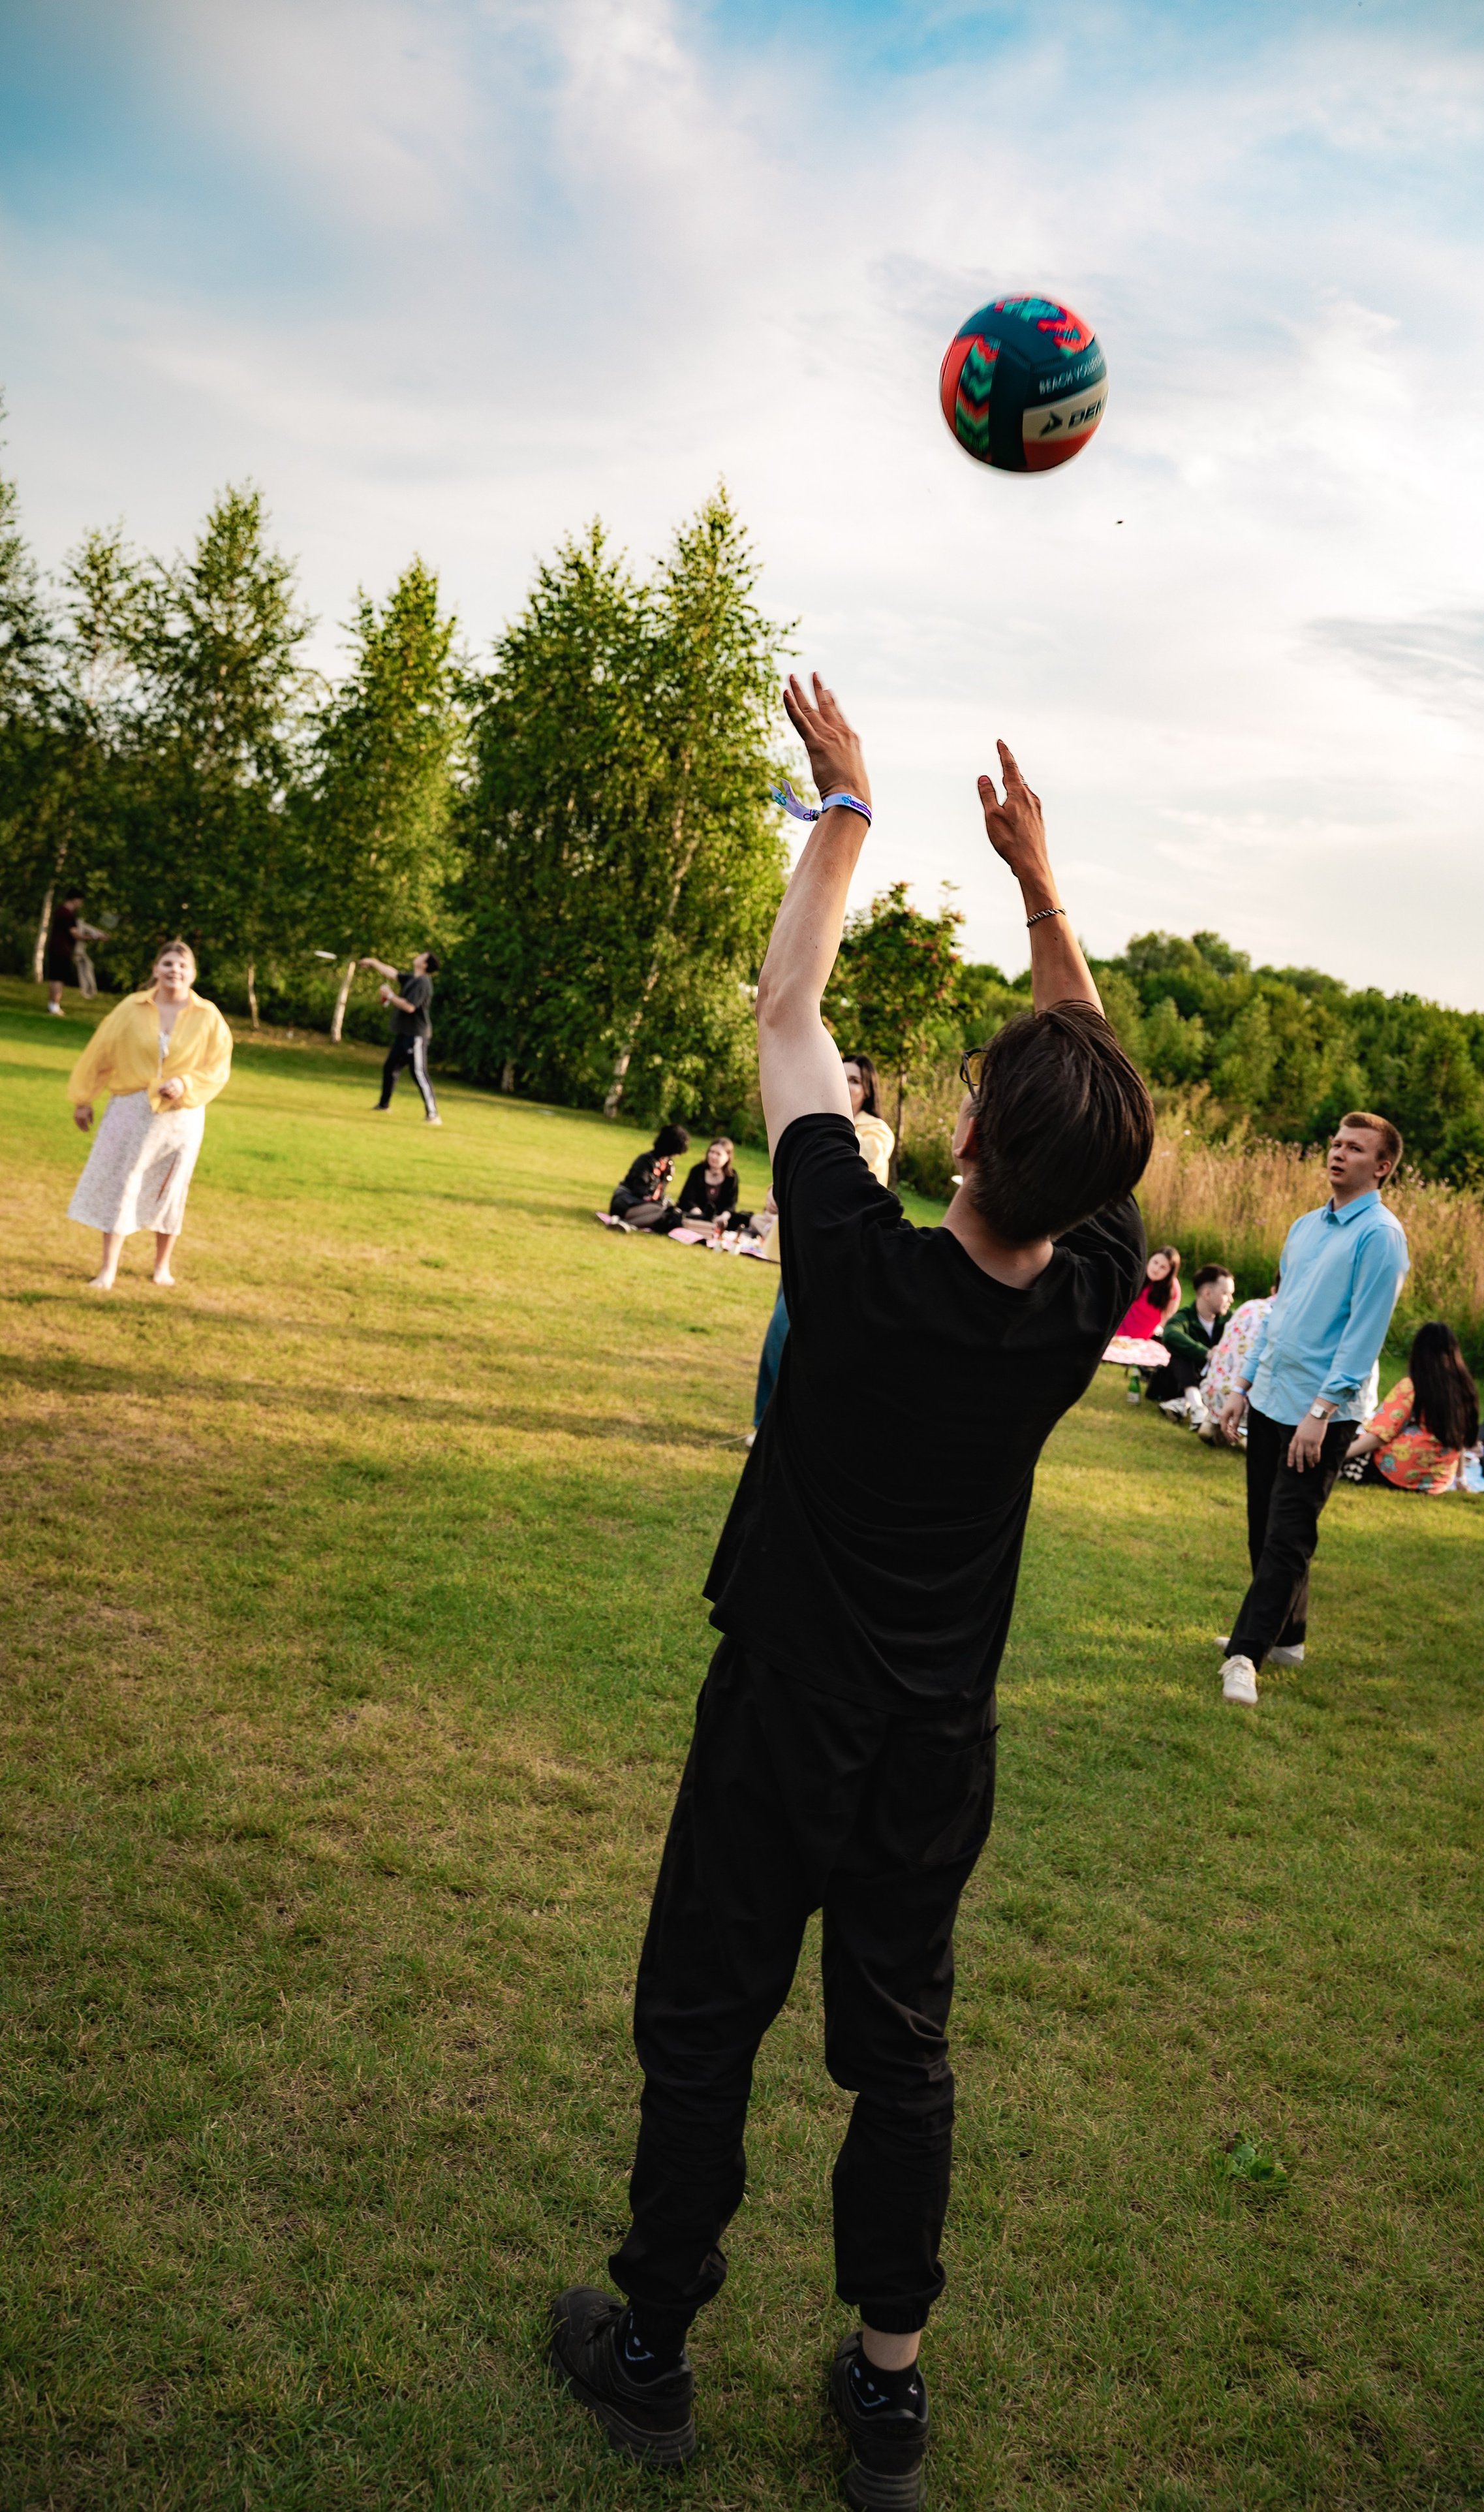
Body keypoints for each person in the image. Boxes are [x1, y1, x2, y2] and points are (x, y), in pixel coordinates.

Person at [546, 680, 1152, 2508]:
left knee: (706, 2022)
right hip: (931, 1744)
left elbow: (789, 1005)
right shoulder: (1077, 1305)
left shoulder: (852, 1260)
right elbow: (1090, 1095)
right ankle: (888, 2391)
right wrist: (1043, 886)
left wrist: (853, 809)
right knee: (902, 2052)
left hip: (781, 1720)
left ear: (965, 1143)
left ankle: (652, 2348)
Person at [1216, 1114, 1408, 1708]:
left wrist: (1322, 1410)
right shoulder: (1305, 1227)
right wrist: (1242, 1383)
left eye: (1356, 1148)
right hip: (1272, 1395)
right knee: (1263, 1527)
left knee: (1289, 1536)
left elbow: (1364, 1333)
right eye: (1336, 1144)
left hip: (1321, 1412)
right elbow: (1279, 1313)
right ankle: (1288, 1637)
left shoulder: (1380, 1236)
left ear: (1382, 1167)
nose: (1339, 1154)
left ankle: (1245, 1654)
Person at [65, 939, 233, 1289]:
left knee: (171, 1188)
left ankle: (161, 1266)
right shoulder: (130, 1008)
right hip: (131, 1109)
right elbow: (100, 1052)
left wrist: (185, 1083)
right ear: (156, 969)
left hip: (181, 1117)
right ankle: (108, 1269)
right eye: (169, 964)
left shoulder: (209, 1017)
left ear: (193, 973)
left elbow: (218, 1068)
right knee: (121, 1183)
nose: (176, 971)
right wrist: (84, 1099)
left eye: (183, 966)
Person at [750, 1052, 896, 1433]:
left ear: (868, 1091)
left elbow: (843, 1167)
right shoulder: (823, 1123)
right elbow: (798, 1163)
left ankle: (777, 1425)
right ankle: (766, 1423)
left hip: (836, 1248)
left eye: (855, 1081)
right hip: (799, 1241)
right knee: (783, 1335)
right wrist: (778, 1186)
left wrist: (790, 1181)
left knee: (788, 1334)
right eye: (841, 1076)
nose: (846, 1086)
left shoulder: (873, 1131)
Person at [1344, 1322, 1477, 1494]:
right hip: (1437, 1481)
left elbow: (1380, 1435)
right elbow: (1460, 1439)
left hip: (1398, 1472)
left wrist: (1340, 1455)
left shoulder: (1412, 1387)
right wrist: (1460, 1478)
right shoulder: (1465, 1389)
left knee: (1347, 1442)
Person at [1198, 1273, 1277, 1445]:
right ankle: (1245, 1433)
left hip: (1212, 1390)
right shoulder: (1282, 1317)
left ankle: (1212, 1422)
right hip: (1245, 1402)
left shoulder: (1250, 1306)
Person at [1149, 1263, 1235, 1419]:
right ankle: (1196, 1408)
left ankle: (1187, 1404)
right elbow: (1170, 1335)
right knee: (1180, 1355)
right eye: (1226, 1294)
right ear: (1207, 1293)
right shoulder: (1185, 1317)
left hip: (1215, 1383)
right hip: (1180, 1382)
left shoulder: (1232, 1320)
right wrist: (1207, 1353)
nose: (1231, 1300)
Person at [363, 950, 441, 1123]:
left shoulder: (423, 983)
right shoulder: (412, 978)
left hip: (416, 1036)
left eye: (422, 955)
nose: (418, 955)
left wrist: (390, 995)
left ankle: (433, 1115)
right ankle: (384, 1106)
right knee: (390, 1067)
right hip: (404, 1034)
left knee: (419, 1073)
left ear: (425, 965)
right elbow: (392, 973)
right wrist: (373, 961)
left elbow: (410, 1007)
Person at [610, 1125, 690, 1229]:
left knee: (670, 1213)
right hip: (627, 1202)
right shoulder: (645, 1161)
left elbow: (660, 1193)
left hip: (649, 1207)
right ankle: (626, 1224)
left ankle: (625, 1224)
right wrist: (659, 1204)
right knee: (661, 1211)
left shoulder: (669, 1165)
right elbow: (639, 1189)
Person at [1115, 1246, 1181, 1340]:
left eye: (1163, 1267)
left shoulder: (1172, 1290)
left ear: (1170, 1272)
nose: (1156, 1269)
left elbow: (1168, 1319)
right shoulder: (1138, 1273)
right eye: (1155, 1262)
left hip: (1140, 1340)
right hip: (1117, 1328)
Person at [679, 1138, 746, 1230]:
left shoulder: (732, 1176)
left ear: (728, 1157)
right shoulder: (697, 1171)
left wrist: (723, 1217)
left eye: (718, 1154)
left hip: (719, 1218)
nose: (713, 1156)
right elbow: (687, 1199)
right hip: (695, 1214)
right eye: (711, 1152)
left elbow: (731, 1204)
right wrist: (700, 1215)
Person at [44, 894, 85, 1014]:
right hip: (63, 950)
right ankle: (55, 1007)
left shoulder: (60, 911)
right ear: (75, 899)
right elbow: (75, 935)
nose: (81, 904)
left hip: (55, 948)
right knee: (59, 978)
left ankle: (52, 1005)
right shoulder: (68, 914)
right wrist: (94, 937)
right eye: (80, 900)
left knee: (54, 978)